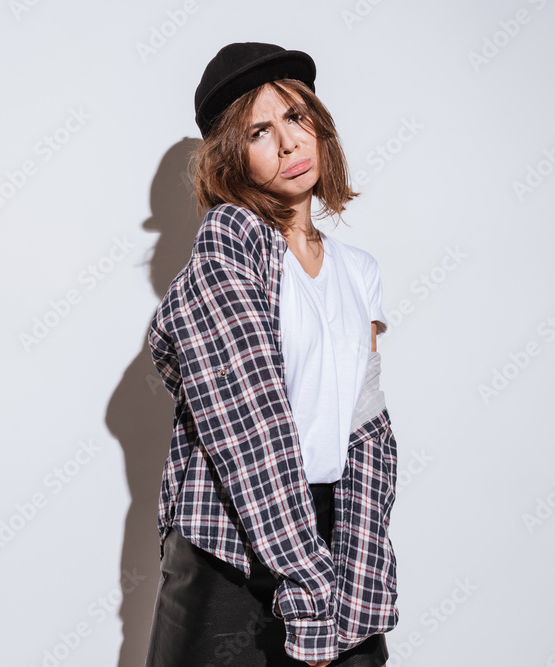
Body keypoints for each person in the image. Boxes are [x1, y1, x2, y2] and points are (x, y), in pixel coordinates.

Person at [145, 42, 399, 667]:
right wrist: (308, 586)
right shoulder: (230, 244)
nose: (288, 143)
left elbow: (368, 429)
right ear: (233, 156)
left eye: (295, 117)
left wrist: (360, 574)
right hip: (228, 542)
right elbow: (249, 427)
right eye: (259, 131)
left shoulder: (358, 270)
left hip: (329, 529)